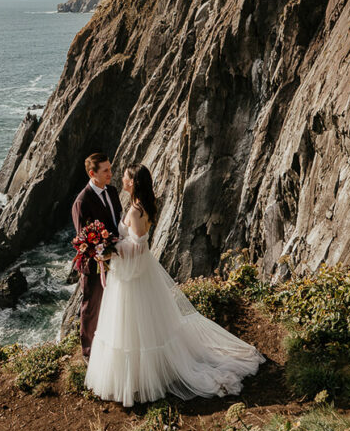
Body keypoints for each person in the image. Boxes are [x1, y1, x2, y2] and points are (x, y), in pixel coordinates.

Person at [85, 164, 265, 407]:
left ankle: (142, 378)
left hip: (134, 275)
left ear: (133, 182)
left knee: (133, 324)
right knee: (137, 324)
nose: (122, 179)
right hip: (132, 273)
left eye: (126, 177)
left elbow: (138, 247)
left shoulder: (137, 211)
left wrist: (110, 250)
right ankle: (137, 376)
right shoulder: (139, 207)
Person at [71, 152, 122, 361]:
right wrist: (102, 252)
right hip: (94, 265)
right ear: (93, 173)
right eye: (106, 170)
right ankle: (88, 352)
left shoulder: (112, 191)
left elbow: (116, 220)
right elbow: (83, 239)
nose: (111, 173)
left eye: (110, 168)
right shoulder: (82, 201)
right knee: (91, 306)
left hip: (116, 260)